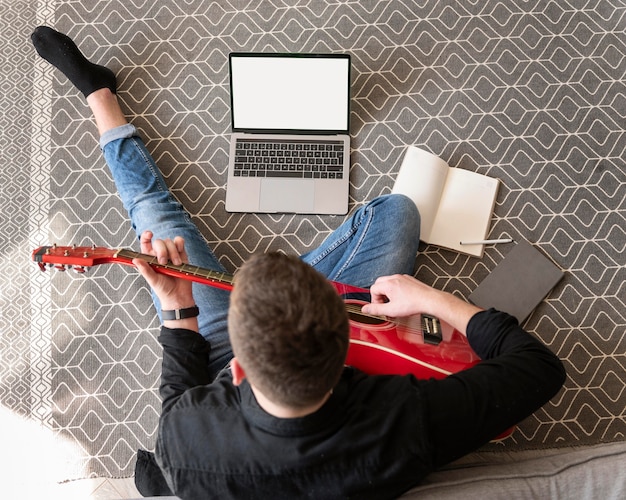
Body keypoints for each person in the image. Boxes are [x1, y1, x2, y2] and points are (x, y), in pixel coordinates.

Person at [31, 26, 566, 500]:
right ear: (343, 331)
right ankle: (101, 93)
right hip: (320, 342)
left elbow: (178, 400)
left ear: (239, 364)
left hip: (220, 344)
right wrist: (428, 298)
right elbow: (540, 368)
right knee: (398, 212)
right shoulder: (408, 423)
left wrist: (179, 316)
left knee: (156, 220)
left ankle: (99, 95)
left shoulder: (189, 445)